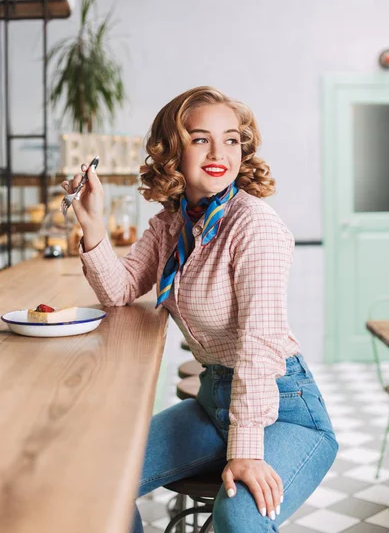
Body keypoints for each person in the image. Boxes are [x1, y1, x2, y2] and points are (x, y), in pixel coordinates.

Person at [61, 86, 338, 533]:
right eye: (200, 138)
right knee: (100, 477)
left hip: (284, 407)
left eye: (231, 139)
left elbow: (260, 344)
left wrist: (245, 450)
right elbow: (121, 289)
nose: (220, 152)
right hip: (215, 402)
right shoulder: (173, 224)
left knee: (237, 519)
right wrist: (92, 222)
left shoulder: (255, 226)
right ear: (173, 150)